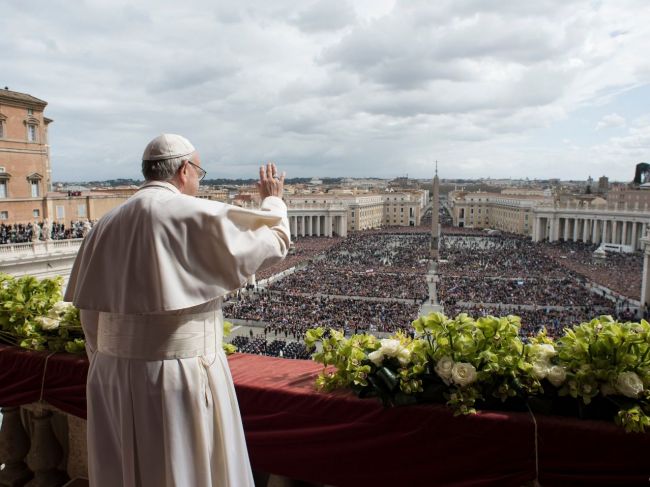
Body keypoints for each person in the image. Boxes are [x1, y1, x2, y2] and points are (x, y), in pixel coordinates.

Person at [64, 134, 290, 487]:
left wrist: (109, 361)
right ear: (185, 169)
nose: (199, 183)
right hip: (178, 375)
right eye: (199, 173)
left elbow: (90, 314)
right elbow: (274, 242)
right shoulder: (192, 212)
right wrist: (273, 201)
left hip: (109, 375)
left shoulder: (103, 225)